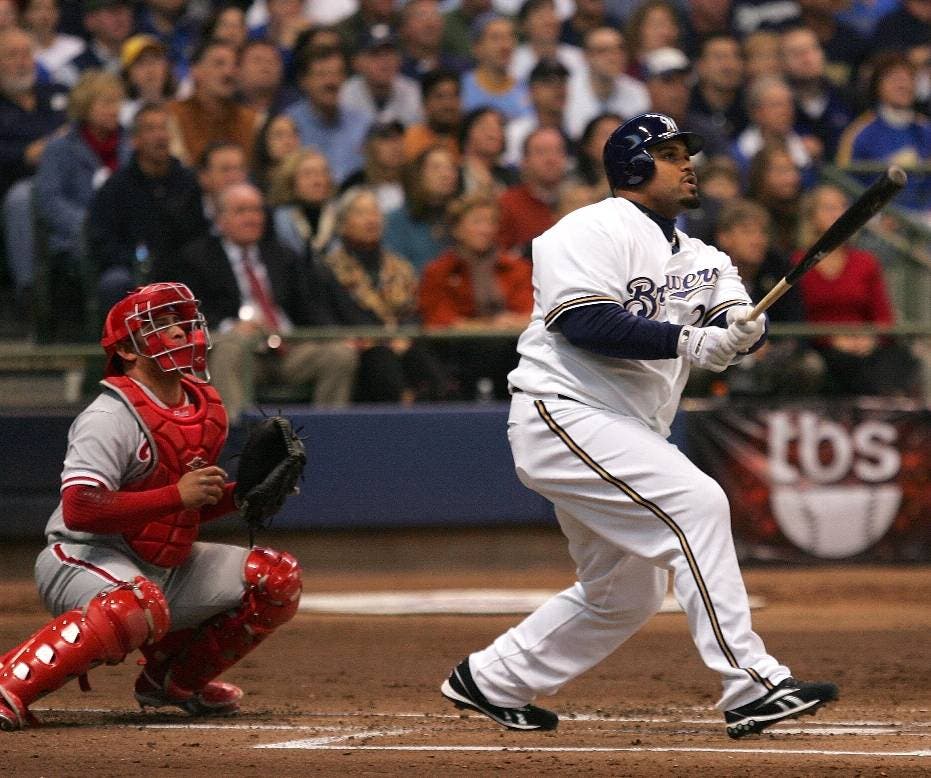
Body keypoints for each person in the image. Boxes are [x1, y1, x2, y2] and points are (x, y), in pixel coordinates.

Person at [439, 112, 838, 738]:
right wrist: (688, 340)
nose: (688, 164)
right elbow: (584, 322)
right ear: (632, 164)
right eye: (671, 152)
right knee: (699, 503)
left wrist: (744, 332)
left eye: (688, 153)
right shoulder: (584, 230)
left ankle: (493, 679)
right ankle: (751, 683)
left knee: (624, 593)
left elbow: (730, 316)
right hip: (563, 412)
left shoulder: (706, 255)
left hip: (627, 430)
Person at [0, 280, 302, 730]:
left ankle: (171, 681)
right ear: (127, 350)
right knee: (134, 602)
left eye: (183, 322)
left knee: (277, 579)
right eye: (162, 325)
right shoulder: (109, 415)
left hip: (160, 567)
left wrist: (240, 496)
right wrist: (176, 495)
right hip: (80, 555)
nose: (181, 332)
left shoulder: (204, 408)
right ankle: (9, 684)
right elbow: (80, 508)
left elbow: (177, 513)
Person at [151, 182, 358, 424]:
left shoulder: (282, 255)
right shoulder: (197, 258)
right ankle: (238, 442)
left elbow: (309, 307)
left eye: (257, 211)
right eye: (241, 211)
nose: (252, 218)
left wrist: (332, 335)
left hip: (287, 349)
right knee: (230, 347)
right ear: (220, 220)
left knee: (339, 355)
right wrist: (231, 327)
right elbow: (190, 315)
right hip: (243, 352)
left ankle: (327, 436)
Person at [319, 186, 449, 402]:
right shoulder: (329, 270)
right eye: (360, 213)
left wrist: (404, 337)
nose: (371, 220)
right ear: (342, 224)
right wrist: (383, 339)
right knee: (382, 360)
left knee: (423, 359)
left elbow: (414, 311)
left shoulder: (400, 267)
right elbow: (337, 316)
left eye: (374, 212)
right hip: (362, 349)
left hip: (403, 343)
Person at [792, 183, 922, 397]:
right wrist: (832, 339)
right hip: (821, 347)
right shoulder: (797, 263)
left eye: (843, 207)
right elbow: (795, 318)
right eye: (829, 207)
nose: (839, 214)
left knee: (903, 360)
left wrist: (870, 339)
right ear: (811, 216)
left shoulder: (866, 262)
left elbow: (883, 317)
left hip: (866, 345)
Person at [87, 103, 209, 312]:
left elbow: (199, 233)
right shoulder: (116, 186)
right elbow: (102, 239)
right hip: (132, 269)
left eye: (164, 128)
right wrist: (136, 261)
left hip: (181, 267)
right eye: (151, 129)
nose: (160, 136)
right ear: (135, 140)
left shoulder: (188, 182)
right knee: (114, 283)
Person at [34, 69, 129, 339]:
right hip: (76, 239)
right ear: (85, 106)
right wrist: (90, 226)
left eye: (117, 102)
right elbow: (49, 200)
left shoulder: (128, 147)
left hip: (120, 239)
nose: (114, 110)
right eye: (106, 102)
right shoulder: (60, 148)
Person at [419, 192, 532, 399]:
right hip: (460, 351)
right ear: (457, 229)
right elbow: (441, 322)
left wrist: (512, 322)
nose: (485, 229)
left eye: (490, 222)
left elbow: (532, 314)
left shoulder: (518, 268)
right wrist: (491, 326)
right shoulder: (438, 271)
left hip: (513, 346)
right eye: (477, 222)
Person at [166, 38, 262, 168]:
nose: (229, 72)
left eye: (234, 65)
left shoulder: (252, 120)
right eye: (219, 64)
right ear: (195, 71)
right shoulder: (172, 115)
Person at [285, 45, 370, 186]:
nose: (331, 82)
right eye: (321, 75)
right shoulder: (289, 125)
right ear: (303, 81)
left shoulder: (363, 124)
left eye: (336, 74)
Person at [564, 26, 650, 139]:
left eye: (620, 49)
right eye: (604, 51)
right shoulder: (566, 92)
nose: (614, 57)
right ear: (586, 56)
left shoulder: (638, 92)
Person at [383, 144, 459, 271]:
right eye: (436, 168)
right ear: (419, 174)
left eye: (451, 168)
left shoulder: (461, 218)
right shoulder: (396, 221)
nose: (446, 174)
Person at [497, 126, 568, 258]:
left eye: (557, 151)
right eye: (541, 152)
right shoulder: (507, 204)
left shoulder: (581, 203)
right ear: (525, 161)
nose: (551, 159)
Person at [268, 148, 340, 259]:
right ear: (290, 181)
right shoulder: (279, 220)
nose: (318, 181)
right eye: (308, 174)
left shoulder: (342, 213)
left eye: (324, 173)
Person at [402, 67, 461, 161]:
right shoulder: (410, 140)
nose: (448, 104)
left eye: (454, 96)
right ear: (424, 103)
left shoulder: (470, 140)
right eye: (440, 97)